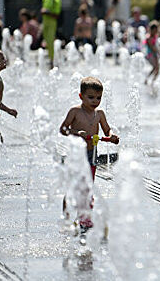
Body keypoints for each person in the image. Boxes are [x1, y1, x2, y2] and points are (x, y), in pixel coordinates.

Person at [59, 77, 119, 229]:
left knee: (88, 187)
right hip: (76, 154)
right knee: (74, 186)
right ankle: (66, 215)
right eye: (91, 97)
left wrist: (111, 136)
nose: (95, 101)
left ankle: (85, 217)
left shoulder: (99, 114)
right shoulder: (75, 111)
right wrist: (75, 132)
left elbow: (107, 129)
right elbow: (63, 129)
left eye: (98, 98)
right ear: (81, 96)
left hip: (92, 153)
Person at [40, 0, 62, 64]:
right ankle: (50, 59)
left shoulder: (57, 0)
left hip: (52, 23)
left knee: (50, 41)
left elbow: (56, 15)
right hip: (45, 23)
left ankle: (52, 60)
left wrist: (47, 12)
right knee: (46, 42)